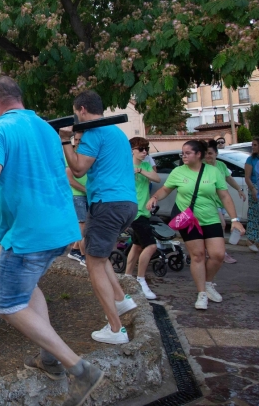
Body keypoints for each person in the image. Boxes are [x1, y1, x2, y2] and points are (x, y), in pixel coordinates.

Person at [0, 77, 104, 405]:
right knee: (29, 289)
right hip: (59, 229)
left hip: (29, 233)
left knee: (10, 306)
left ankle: (80, 369)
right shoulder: (46, 128)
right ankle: (48, 359)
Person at [62, 90, 138, 345]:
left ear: (82, 110)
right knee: (97, 253)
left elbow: (79, 169)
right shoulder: (117, 132)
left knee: (92, 263)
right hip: (126, 204)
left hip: (107, 204)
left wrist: (65, 141)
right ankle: (121, 300)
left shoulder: (94, 132)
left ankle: (116, 330)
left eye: (75, 112)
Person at [148, 140, 244, 309]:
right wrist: (155, 197)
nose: (183, 156)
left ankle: (208, 283)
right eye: (182, 153)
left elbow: (225, 197)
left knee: (218, 255)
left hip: (211, 218)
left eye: (187, 153)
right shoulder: (178, 172)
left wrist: (235, 220)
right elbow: (166, 189)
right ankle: (201, 294)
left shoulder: (213, 172)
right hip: (189, 221)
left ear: (198, 154)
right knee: (198, 255)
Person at [124, 137, 162, 300]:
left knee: (138, 245)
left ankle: (126, 278)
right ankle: (140, 280)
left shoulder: (145, 165)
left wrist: (139, 170)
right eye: (141, 149)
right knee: (151, 246)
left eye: (146, 149)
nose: (145, 152)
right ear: (131, 150)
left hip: (144, 211)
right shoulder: (124, 165)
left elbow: (157, 178)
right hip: (134, 211)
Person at [205, 139, 246, 264]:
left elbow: (229, 178)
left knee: (215, 228)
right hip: (209, 202)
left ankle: (212, 251)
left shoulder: (221, 165)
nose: (208, 156)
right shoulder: (201, 166)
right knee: (222, 225)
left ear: (216, 154)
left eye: (210, 153)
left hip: (220, 202)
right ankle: (221, 252)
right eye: (206, 153)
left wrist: (239, 189)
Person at [65, 133, 88, 266]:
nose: (78, 142)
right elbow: (69, 179)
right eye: (77, 139)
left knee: (84, 224)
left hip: (86, 194)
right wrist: (85, 189)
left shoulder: (86, 154)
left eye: (81, 140)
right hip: (76, 194)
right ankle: (84, 256)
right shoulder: (70, 155)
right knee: (82, 225)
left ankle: (74, 250)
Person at [243, 137, 259, 252]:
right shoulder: (251, 159)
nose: (253, 147)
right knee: (255, 214)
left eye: (255, 145)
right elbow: (247, 177)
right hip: (255, 188)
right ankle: (251, 239)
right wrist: (253, 189)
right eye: (253, 145)